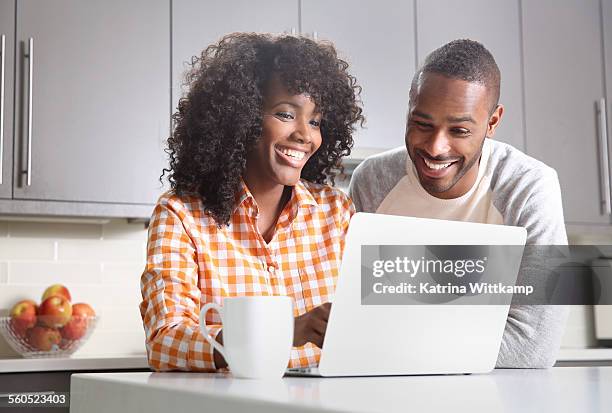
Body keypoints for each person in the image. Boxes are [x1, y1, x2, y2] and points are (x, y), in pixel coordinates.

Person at [140, 33, 364, 371]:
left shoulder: (338, 213)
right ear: (240, 118)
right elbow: (165, 340)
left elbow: (369, 331)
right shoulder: (181, 214)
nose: (305, 134)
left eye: (315, 121)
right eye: (286, 114)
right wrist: (281, 331)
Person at [349, 39, 568, 368]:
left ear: (492, 123)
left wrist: (392, 337)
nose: (436, 148)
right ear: (409, 107)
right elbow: (353, 319)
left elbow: (532, 345)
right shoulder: (373, 181)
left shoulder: (529, 187)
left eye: (459, 130)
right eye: (422, 124)